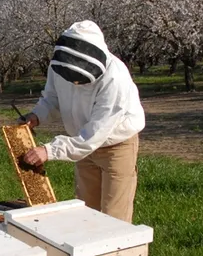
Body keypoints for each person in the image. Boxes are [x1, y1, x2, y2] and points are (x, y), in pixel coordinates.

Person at [21, 20, 145, 223]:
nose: (75, 83)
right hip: (80, 144)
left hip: (116, 146)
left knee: (115, 219)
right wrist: (36, 116)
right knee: (87, 214)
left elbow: (95, 134)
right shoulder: (59, 66)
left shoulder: (115, 78)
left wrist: (49, 150)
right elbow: (52, 98)